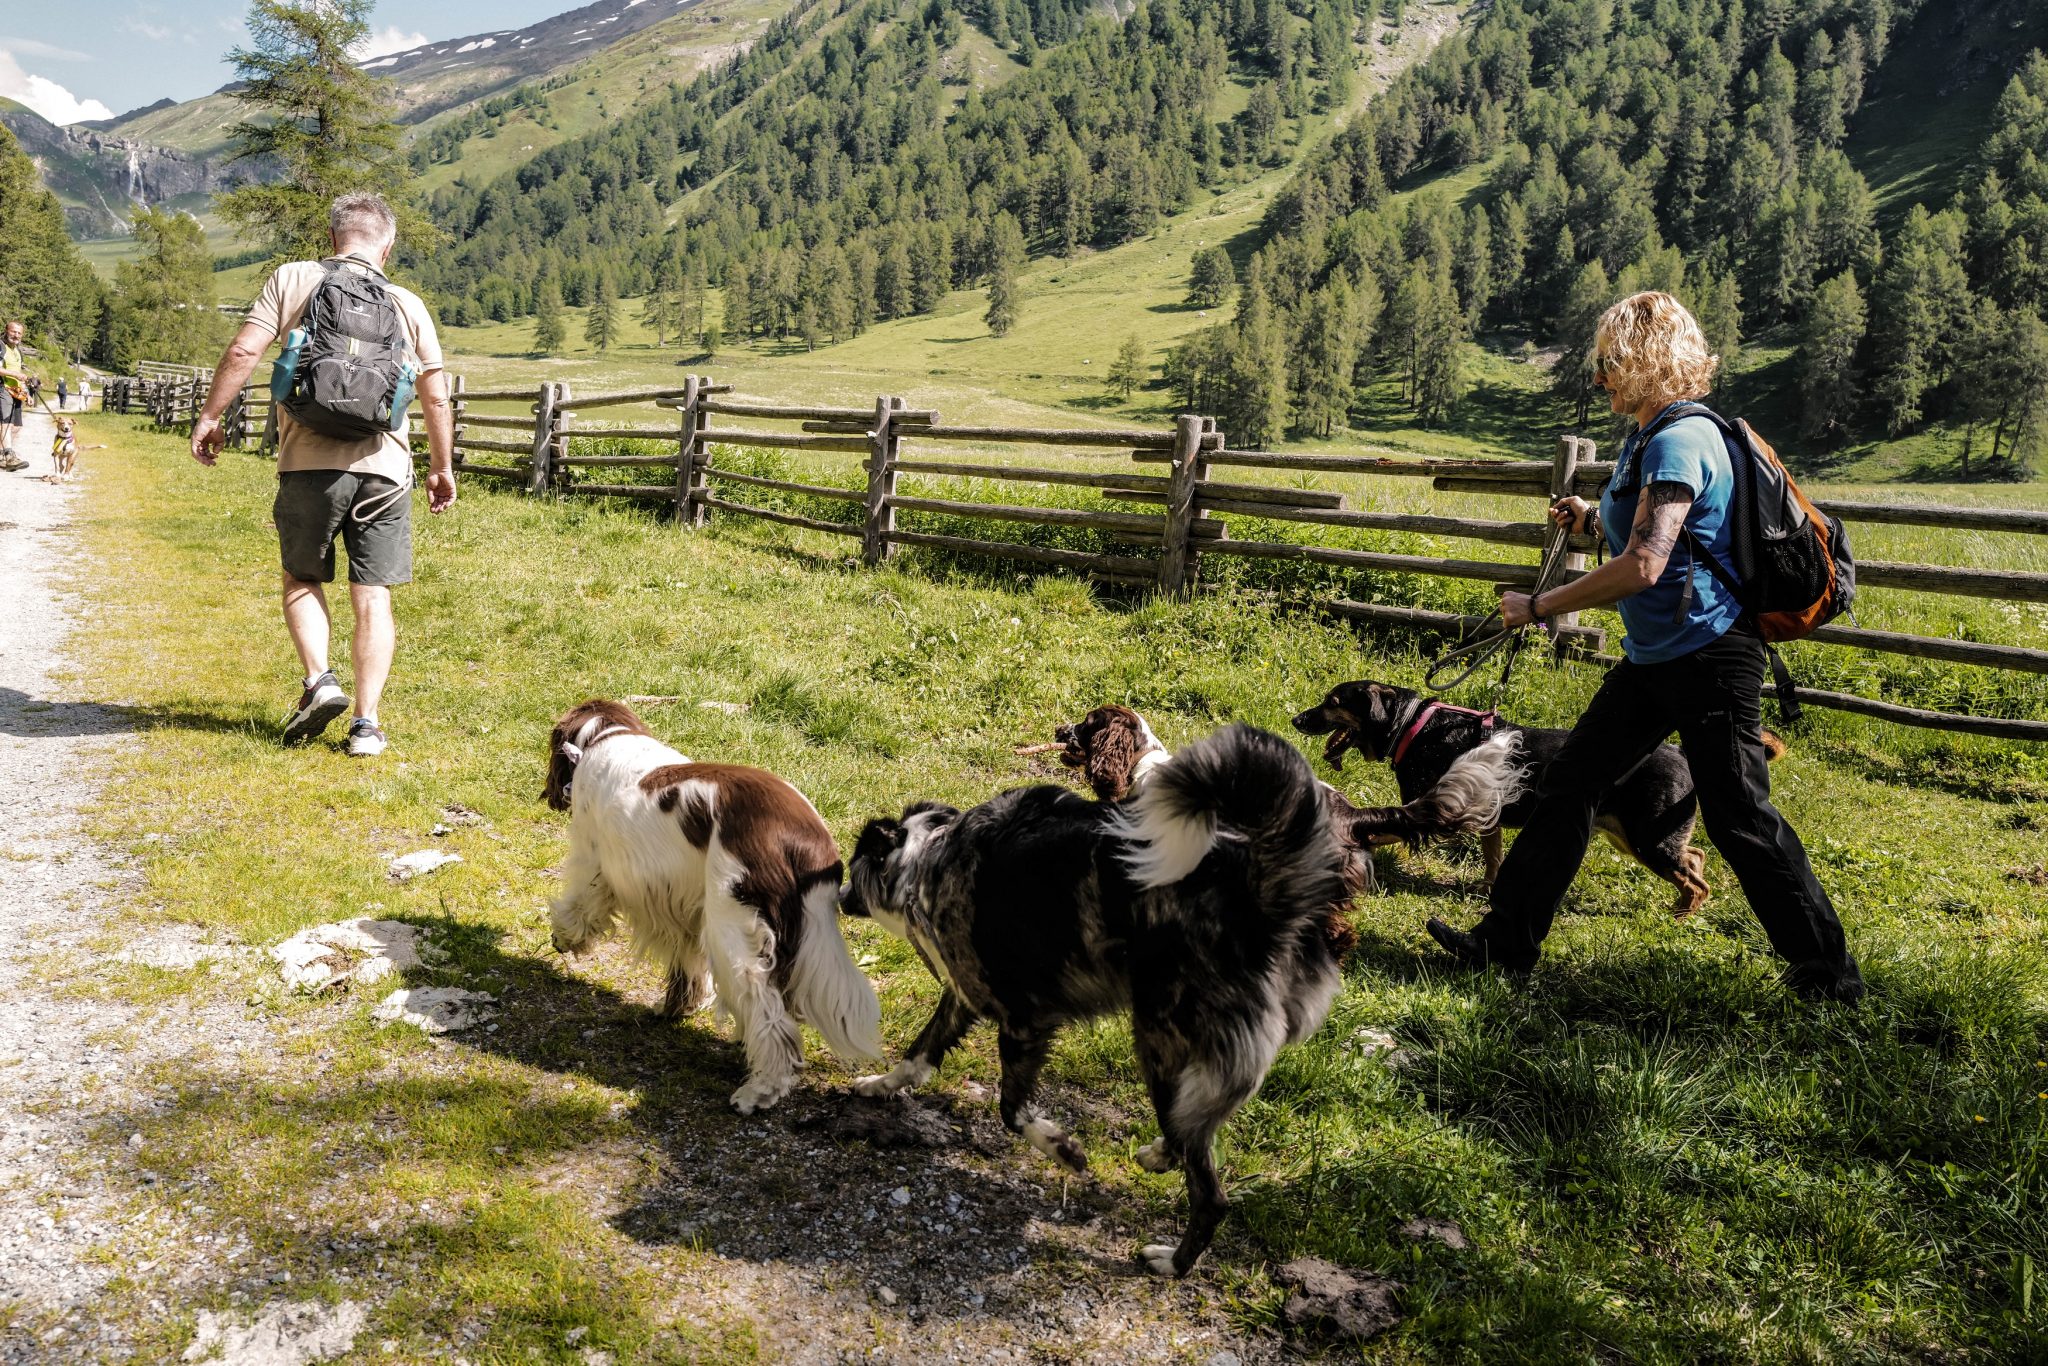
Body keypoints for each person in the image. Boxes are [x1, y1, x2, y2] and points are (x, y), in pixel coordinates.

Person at [1425, 291, 1864, 1004]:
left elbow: (1646, 564)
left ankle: (1830, 977)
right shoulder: (1649, 437)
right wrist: (1593, 516)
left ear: (1646, 361)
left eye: (1610, 362)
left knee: (1738, 816)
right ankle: (1501, 947)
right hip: (1659, 658)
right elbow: (1661, 534)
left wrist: (1537, 607)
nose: (1599, 378)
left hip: (1712, 658)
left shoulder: (1678, 439)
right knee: (1568, 784)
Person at [190, 192, 456, 758]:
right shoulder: (407, 302)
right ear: (387, 246)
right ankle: (367, 725)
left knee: (301, 578)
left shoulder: (293, 279)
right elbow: (435, 396)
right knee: (374, 594)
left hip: (307, 461)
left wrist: (211, 417)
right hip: (384, 468)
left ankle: (320, 680)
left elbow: (243, 352)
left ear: (333, 236)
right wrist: (441, 467)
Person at [1, 321, 31, 472]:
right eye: (13, 332)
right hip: (3, 388)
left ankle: (3, 456)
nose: (16, 335)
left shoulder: (17, 350)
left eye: (19, 333)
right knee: (4, 423)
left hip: (16, 392)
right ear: (6, 330)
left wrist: (26, 393)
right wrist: (15, 374)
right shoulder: (1, 346)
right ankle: (8, 456)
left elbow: (19, 374)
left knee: (16, 426)